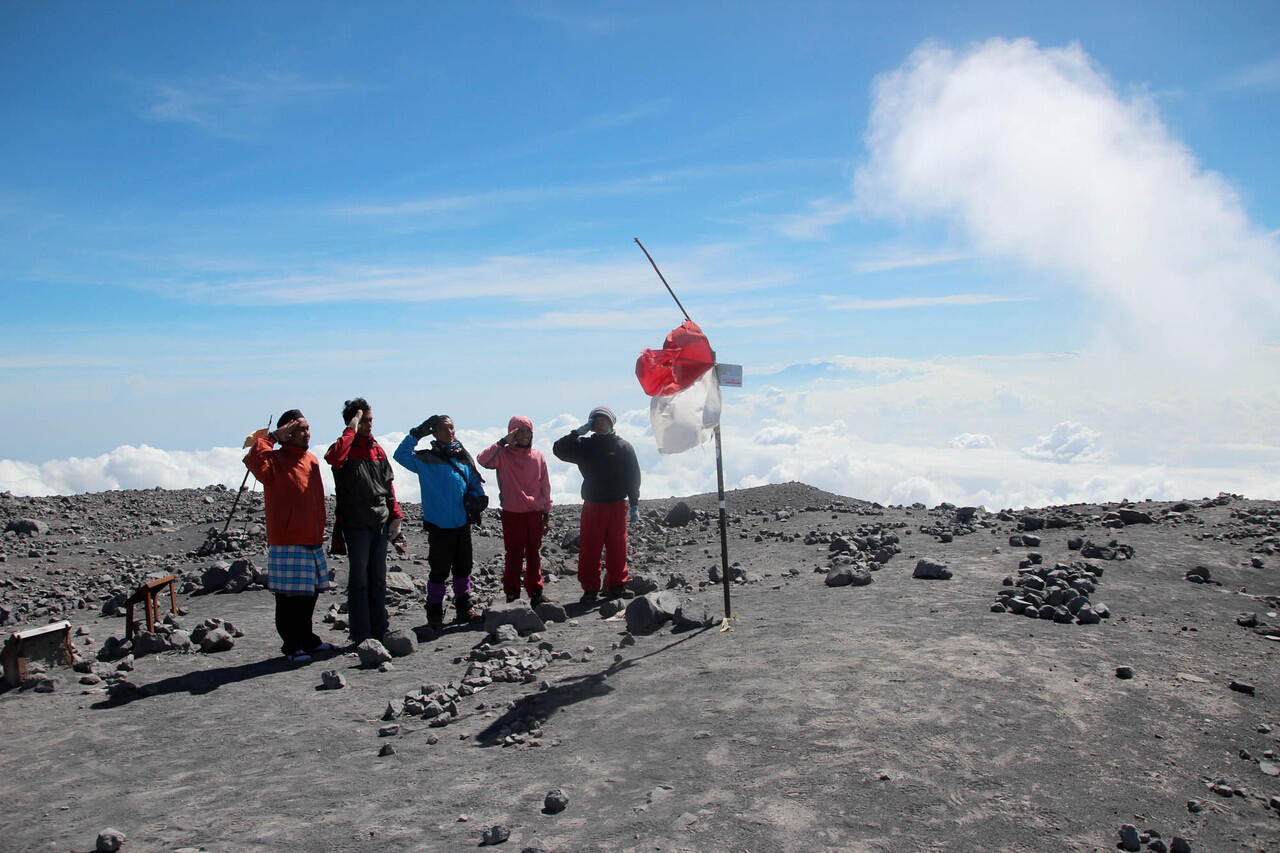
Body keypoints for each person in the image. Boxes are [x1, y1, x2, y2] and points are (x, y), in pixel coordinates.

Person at [243, 410, 336, 663]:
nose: (307, 434)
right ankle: (292, 645)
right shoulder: (273, 461)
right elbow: (252, 459)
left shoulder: (311, 460)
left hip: (311, 537)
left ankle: (307, 639)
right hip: (287, 539)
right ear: (288, 433)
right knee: (288, 598)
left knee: (308, 595)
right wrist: (272, 436)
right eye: (301, 429)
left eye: (308, 429)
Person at [393, 414, 486, 629]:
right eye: (444, 428)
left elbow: (473, 479)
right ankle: (434, 612)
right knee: (439, 571)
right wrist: (415, 434)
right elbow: (400, 455)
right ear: (434, 433)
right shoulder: (425, 459)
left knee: (463, 567)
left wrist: (478, 497)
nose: (450, 432)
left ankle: (464, 608)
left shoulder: (463, 457)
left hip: (461, 523)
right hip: (439, 525)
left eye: (452, 427)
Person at [324, 398, 404, 646]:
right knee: (359, 580)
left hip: (378, 522)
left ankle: (379, 630)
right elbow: (334, 458)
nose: (369, 425)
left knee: (377, 579)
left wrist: (396, 517)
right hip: (355, 523)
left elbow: (388, 485)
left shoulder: (376, 449)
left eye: (370, 420)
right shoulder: (345, 448)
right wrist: (351, 428)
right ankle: (360, 634)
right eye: (365, 420)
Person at [552, 405, 641, 604]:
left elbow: (633, 477)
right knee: (590, 548)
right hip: (593, 505)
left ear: (611, 422)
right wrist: (577, 432)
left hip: (617, 505)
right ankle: (590, 589)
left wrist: (634, 503)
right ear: (591, 424)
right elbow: (558, 449)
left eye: (604, 420)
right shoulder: (584, 445)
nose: (600, 424)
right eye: (596, 421)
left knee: (618, 548)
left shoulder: (623, 446)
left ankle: (616, 586)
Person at [477, 415, 553, 607]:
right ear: (512, 433)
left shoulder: (538, 456)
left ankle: (536, 592)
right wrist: (502, 442)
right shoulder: (502, 454)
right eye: (520, 431)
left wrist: (546, 512)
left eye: (527, 431)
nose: (525, 435)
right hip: (512, 513)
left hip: (534, 513)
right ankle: (512, 595)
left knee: (534, 554)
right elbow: (483, 460)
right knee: (514, 555)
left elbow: (544, 485)